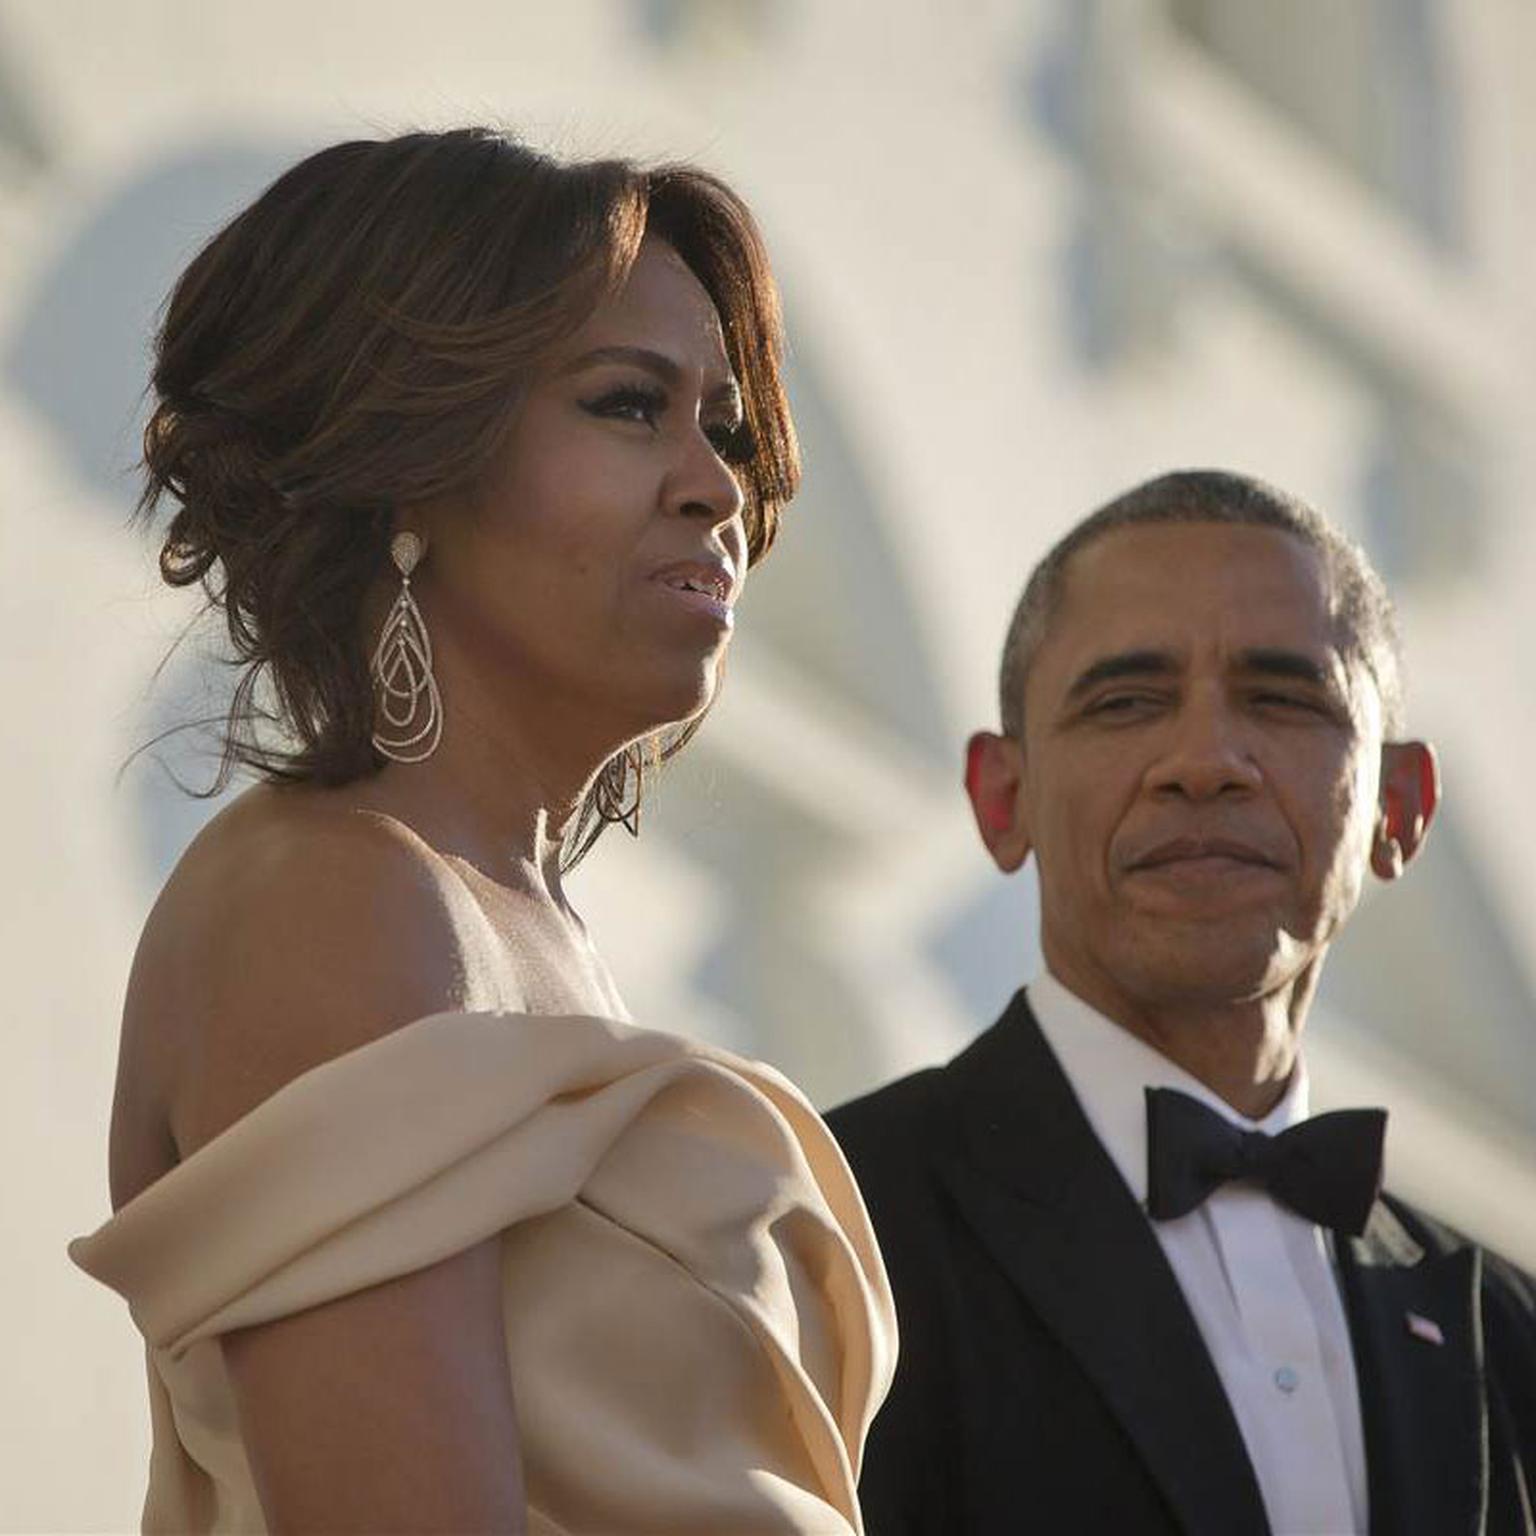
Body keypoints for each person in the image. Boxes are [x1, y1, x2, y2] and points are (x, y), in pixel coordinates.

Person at [70, 127, 894, 1536]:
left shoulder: (515, 924)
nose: (718, 490)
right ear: (412, 463)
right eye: (630, 406)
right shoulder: (334, 897)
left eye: (728, 429)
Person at [829, 470, 1536, 1536]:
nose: (1204, 762)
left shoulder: (1508, 1335)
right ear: (1001, 798)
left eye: (1284, 698)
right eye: (1125, 702)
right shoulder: (829, 1226)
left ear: (1399, 807)